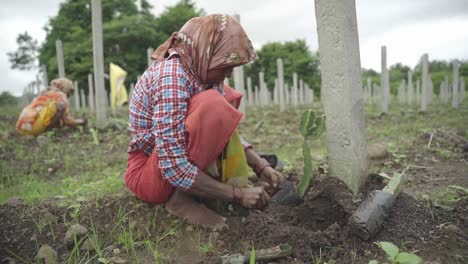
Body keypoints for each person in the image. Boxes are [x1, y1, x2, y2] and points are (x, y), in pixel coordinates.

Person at [124, 14, 284, 226]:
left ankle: (201, 190)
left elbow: (224, 132)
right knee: (214, 104)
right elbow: (172, 165)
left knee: (224, 96)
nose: (228, 73)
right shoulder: (172, 77)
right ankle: (179, 200)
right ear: (205, 51)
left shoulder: (199, 72)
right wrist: (236, 194)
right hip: (151, 175)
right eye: (225, 65)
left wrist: (260, 165)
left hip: (166, 166)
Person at [16, 78, 86, 136]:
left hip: (22, 128)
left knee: (59, 120)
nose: (69, 95)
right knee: (60, 107)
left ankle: (32, 134)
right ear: (66, 89)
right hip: (34, 128)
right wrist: (81, 122)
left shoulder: (44, 93)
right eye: (69, 92)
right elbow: (67, 121)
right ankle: (44, 135)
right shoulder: (60, 95)